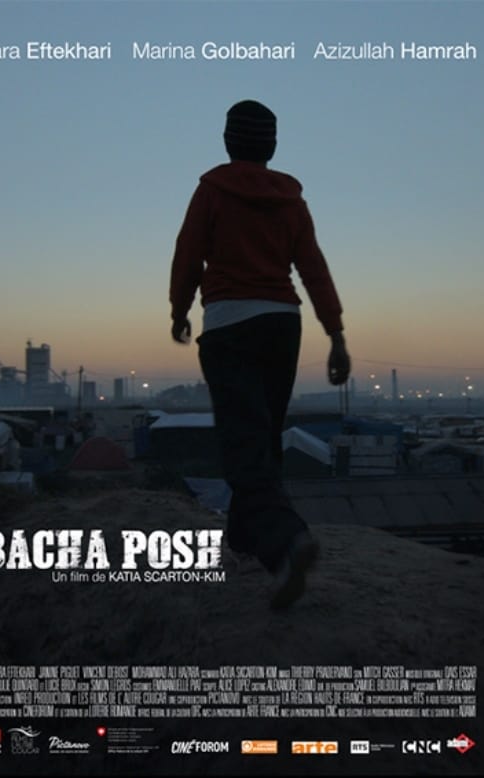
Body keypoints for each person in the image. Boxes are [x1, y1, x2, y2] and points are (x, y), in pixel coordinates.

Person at [169, 99, 350, 608]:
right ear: (272, 146)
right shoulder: (291, 201)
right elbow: (313, 268)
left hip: (230, 325)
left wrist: (179, 310)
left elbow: (187, 255)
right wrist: (335, 334)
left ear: (228, 142)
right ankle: (244, 539)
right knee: (263, 437)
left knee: (243, 443)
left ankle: (286, 542)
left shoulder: (212, 191)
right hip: (283, 325)